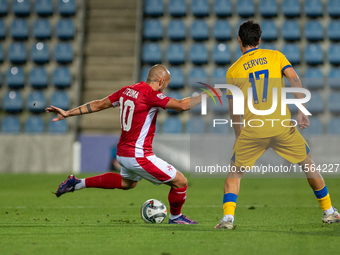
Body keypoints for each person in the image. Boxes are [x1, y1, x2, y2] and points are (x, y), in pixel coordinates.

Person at [47, 64, 221, 225]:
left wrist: (68, 113)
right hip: (138, 155)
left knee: (127, 183)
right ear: (161, 81)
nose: (164, 88)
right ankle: (176, 217)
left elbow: (99, 104)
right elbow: (182, 105)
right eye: (165, 85)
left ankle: (77, 183)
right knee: (180, 182)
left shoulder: (127, 90)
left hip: (123, 153)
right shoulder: (150, 94)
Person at [215, 20, 340, 229]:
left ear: (239, 40)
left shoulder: (233, 71)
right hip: (281, 125)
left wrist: (239, 136)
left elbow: (234, 110)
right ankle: (329, 211)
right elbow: (295, 81)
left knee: (234, 174)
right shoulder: (276, 56)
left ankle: (228, 218)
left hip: (253, 129)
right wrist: (301, 111)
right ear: (259, 40)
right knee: (308, 163)